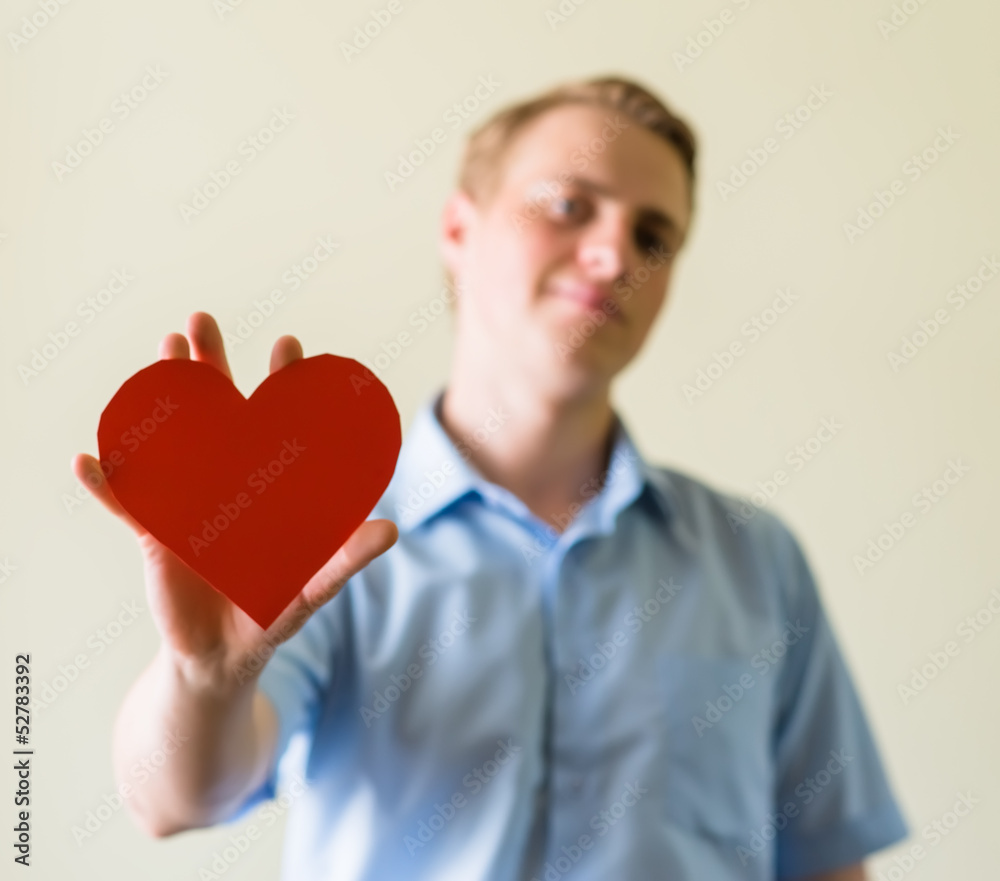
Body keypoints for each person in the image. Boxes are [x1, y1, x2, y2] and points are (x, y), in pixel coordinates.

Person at [74, 75, 908, 880]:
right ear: (458, 230)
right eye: (568, 205)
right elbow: (175, 797)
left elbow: (828, 860)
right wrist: (206, 678)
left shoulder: (758, 560)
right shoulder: (332, 538)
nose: (617, 252)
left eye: (654, 237)